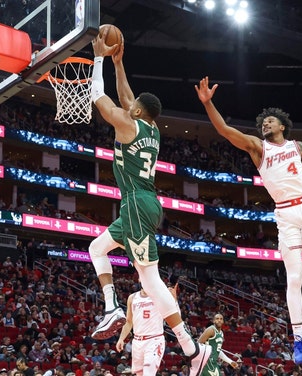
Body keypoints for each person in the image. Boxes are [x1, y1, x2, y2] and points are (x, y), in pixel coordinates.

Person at [194, 77, 302, 365]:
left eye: (270, 121)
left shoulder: (298, 147)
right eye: (263, 122)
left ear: (282, 125)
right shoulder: (257, 148)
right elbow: (226, 131)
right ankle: (297, 339)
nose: (265, 124)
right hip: (285, 214)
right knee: (293, 277)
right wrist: (208, 104)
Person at [87, 27, 211, 375]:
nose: (129, 104)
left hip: (137, 204)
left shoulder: (127, 125)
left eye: (133, 105)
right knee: (97, 248)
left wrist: (98, 57)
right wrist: (119, 63)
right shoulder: (151, 129)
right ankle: (111, 306)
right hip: (141, 202)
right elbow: (126, 97)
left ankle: (190, 348)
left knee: (150, 280)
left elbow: (100, 97)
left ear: (137, 111)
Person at [115, 284, 177, 376]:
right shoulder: (132, 298)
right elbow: (128, 321)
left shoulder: (160, 295)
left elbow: (173, 314)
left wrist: (174, 299)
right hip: (137, 342)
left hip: (154, 340)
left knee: (148, 373)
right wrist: (121, 339)